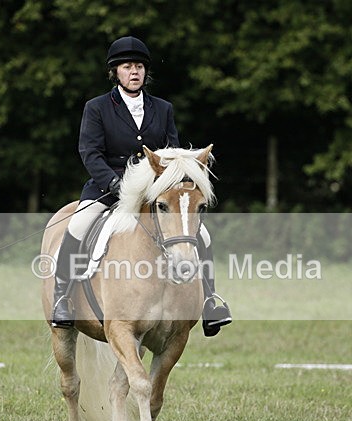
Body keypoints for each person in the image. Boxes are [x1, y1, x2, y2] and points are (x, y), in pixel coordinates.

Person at [51, 36, 231, 336]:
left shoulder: (163, 109)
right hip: (106, 187)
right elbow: (90, 153)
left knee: (203, 234)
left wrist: (169, 180)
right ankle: (63, 299)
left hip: (155, 191)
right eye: (126, 67)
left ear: (145, 72)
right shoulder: (96, 108)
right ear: (115, 73)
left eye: (138, 67)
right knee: (78, 225)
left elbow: (173, 153)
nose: (134, 72)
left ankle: (211, 301)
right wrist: (114, 182)